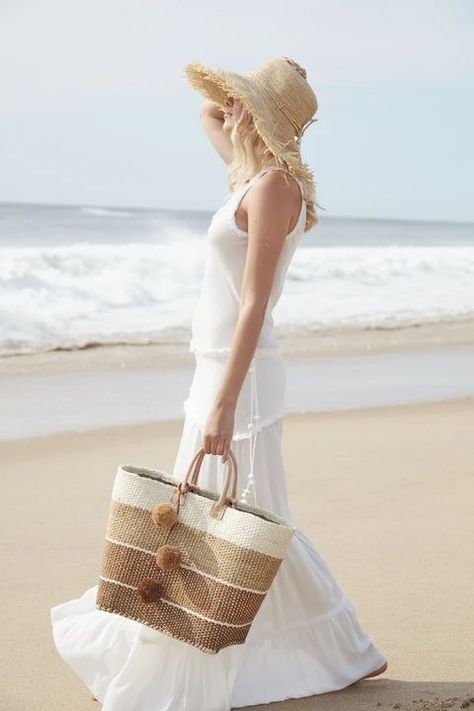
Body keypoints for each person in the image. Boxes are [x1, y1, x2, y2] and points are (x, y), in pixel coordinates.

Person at [50, 56, 387, 711]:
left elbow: (256, 304)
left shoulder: (273, 188)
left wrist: (225, 404)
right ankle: (345, 646)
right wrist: (245, 100)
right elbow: (205, 112)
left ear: (266, 119)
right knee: (239, 519)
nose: (228, 110)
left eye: (244, 103)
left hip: (242, 376)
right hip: (215, 367)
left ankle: (320, 646)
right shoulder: (252, 176)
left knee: (228, 519)